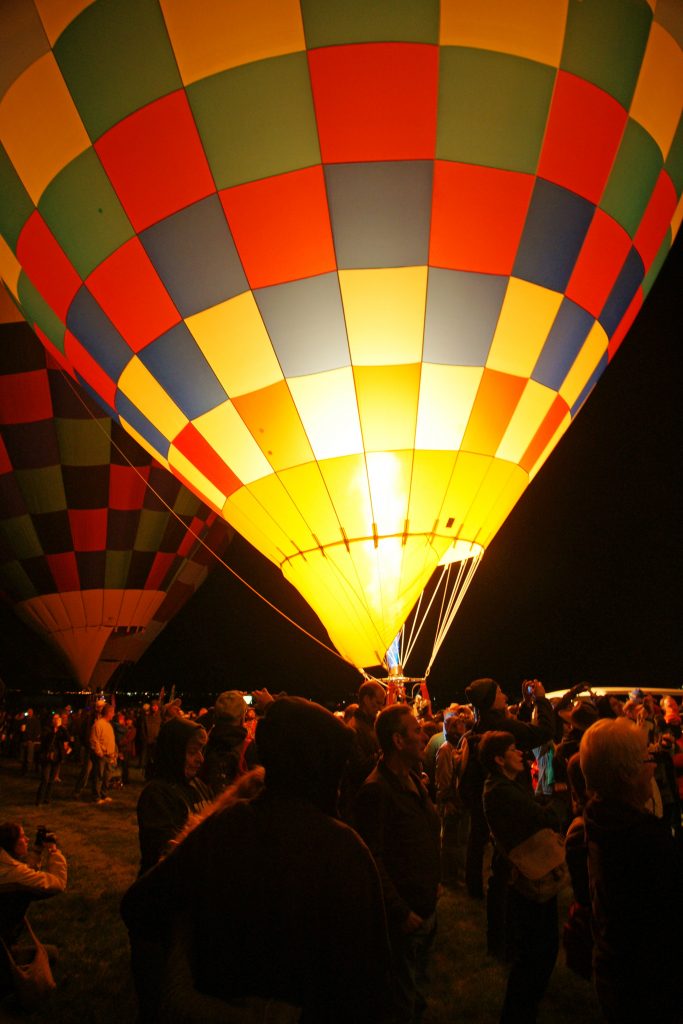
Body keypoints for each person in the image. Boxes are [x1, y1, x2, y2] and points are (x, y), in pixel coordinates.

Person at [121, 697, 390, 1023]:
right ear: (324, 767)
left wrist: (187, 959)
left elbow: (140, 904)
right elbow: (371, 975)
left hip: (217, 1001)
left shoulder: (227, 826)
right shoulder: (344, 850)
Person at [580, 718, 682, 1023]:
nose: (653, 765)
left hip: (616, 972)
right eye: (647, 758)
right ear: (627, 774)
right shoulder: (645, 841)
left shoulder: (599, 815)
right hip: (648, 988)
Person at [353, 703, 440, 1024]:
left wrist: (434, 881)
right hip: (406, 914)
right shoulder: (376, 791)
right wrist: (399, 910)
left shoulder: (413, 779)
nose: (424, 735)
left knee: (419, 986)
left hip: (425, 902)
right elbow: (371, 857)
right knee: (400, 995)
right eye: (417, 730)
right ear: (398, 741)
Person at [480, 731, 562, 1024]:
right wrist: (554, 804)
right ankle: (517, 1014)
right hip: (526, 876)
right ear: (499, 759)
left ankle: (523, 1010)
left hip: (527, 873)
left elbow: (541, 799)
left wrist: (546, 760)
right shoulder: (500, 790)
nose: (521, 754)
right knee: (537, 951)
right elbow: (544, 815)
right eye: (514, 750)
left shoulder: (507, 784)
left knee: (540, 948)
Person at [136, 717, 212, 875]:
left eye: (201, 750)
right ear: (174, 752)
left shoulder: (199, 785)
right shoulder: (157, 795)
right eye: (192, 752)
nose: (201, 759)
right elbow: (165, 852)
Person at [0, 822, 67, 998]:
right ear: (11, 844)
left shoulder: (5, 865)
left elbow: (26, 873)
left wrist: (36, 851)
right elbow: (57, 884)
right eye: (22, 837)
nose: (27, 839)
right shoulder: (13, 875)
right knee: (50, 954)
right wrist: (53, 851)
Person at [338, 680, 386, 820]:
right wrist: (384, 753)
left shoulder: (370, 725)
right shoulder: (354, 729)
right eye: (377, 703)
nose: (379, 708)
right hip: (361, 803)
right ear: (366, 699)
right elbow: (359, 768)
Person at [35, 714, 70, 806]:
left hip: (57, 757)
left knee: (51, 779)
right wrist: (54, 731)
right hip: (47, 756)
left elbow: (66, 737)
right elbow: (47, 740)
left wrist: (61, 727)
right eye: (55, 718)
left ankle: (47, 798)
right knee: (45, 779)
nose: (56, 720)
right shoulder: (47, 729)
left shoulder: (61, 730)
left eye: (58, 718)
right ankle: (39, 799)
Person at [90, 703, 116, 804]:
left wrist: (113, 753)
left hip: (109, 755)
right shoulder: (98, 724)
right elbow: (94, 740)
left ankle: (104, 794)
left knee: (107, 776)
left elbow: (110, 740)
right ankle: (96, 796)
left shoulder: (109, 725)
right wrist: (99, 752)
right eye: (112, 712)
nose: (113, 714)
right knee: (99, 776)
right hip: (102, 756)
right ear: (108, 713)